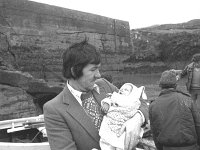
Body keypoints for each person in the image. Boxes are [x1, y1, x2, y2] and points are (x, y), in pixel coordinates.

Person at [43, 39, 149, 150]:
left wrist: (137, 118)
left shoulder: (104, 85)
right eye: (93, 69)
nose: (98, 75)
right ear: (74, 71)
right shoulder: (54, 109)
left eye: (98, 69)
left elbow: (139, 101)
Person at [149, 70, 200, 150]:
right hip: (191, 146)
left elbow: (155, 132)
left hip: (167, 147)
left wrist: (160, 148)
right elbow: (198, 125)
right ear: (175, 85)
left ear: (160, 85)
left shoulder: (153, 105)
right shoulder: (188, 100)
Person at [99, 83, 147, 150]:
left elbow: (142, 103)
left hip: (124, 128)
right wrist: (106, 104)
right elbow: (109, 99)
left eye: (126, 90)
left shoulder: (133, 100)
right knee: (106, 141)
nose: (122, 90)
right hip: (111, 123)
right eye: (121, 89)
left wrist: (139, 116)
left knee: (122, 144)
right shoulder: (115, 96)